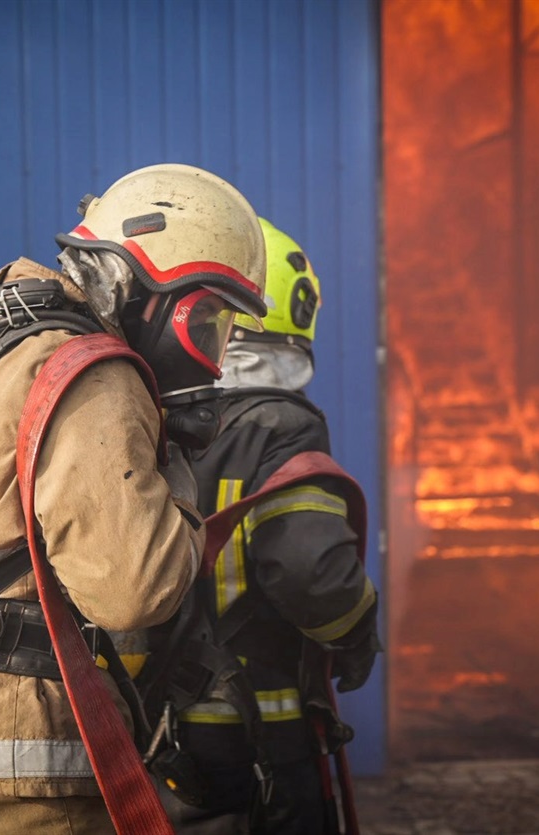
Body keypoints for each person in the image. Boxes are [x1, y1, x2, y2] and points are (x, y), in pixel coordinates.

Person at [0, 164, 268, 833]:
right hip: (10, 778)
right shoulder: (93, 373)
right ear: (143, 287)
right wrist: (181, 473)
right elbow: (138, 587)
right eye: (208, 317)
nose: (213, 354)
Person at [140, 218, 381, 834]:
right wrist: (355, 632)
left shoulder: (153, 418)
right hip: (257, 737)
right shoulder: (281, 427)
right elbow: (309, 567)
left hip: (152, 728)